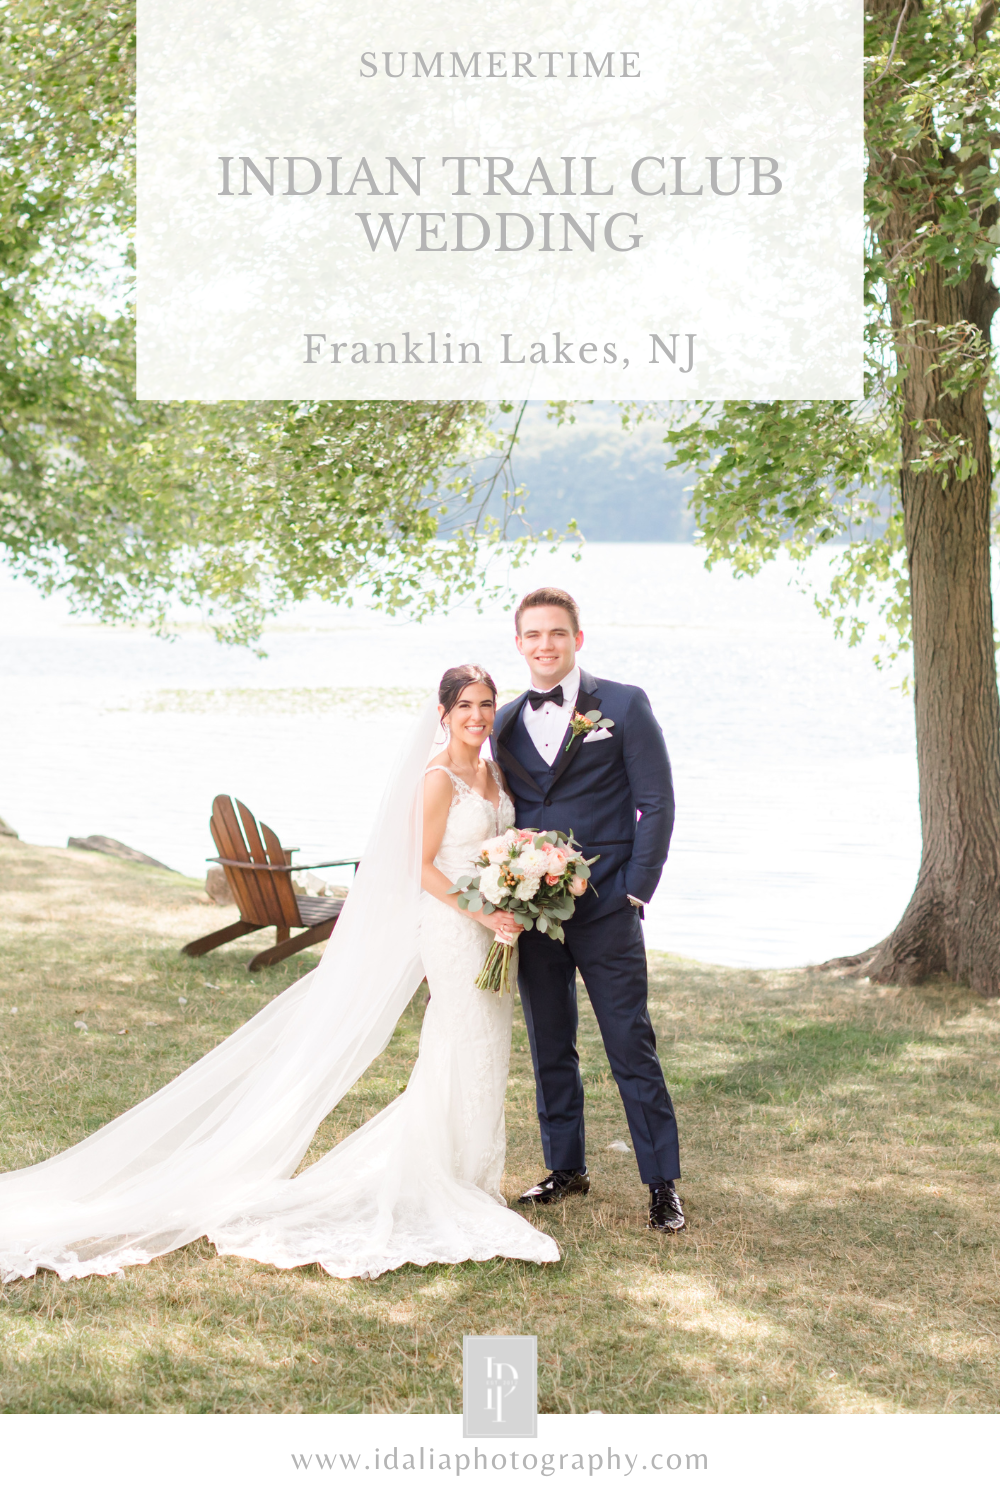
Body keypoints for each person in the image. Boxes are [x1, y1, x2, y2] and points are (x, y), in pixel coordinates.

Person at [0, 666, 557, 1283]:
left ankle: (468, 1175)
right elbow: (421, 868)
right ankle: (446, 1180)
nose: (478, 717)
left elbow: (493, 850)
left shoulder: (493, 769)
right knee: (459, 1047)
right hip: (455, 932)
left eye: (486, 705)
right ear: (444, 713)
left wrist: (512, 896)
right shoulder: (436, 780)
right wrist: (486, 910)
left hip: (493, 932)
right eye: (466, 707)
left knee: (484, 1049)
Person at [492, 587, 685, 1233]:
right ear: (519, 644)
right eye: (533, 635)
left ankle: (662, 1184)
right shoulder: (505, 720)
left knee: (631, 1044)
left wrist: (636, 889)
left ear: (578, 638)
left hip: (607, 909)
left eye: (557, 633)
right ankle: (565, 1168)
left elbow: (657, 802)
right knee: (551, 1044)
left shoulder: (623, 705)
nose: (545, 644)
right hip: (534, 912)